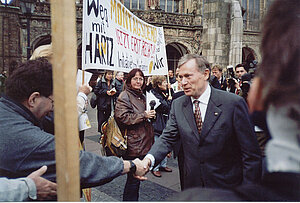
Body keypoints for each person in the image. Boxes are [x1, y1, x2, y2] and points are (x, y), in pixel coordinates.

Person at [0, 58, 148, 200]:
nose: (53, 108)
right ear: (33, 99)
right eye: (53, 101)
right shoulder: (24, 137)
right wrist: (132, 165)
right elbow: (79, 164)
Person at [141, 54, 262, 190]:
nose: (183, 82)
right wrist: (148, 160)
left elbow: (251, 154)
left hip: (227, 188)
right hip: (193, 186)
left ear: (205, 74)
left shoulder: (233, 104)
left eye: (188, 76)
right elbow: (167, 138)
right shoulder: (178, 104)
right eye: (180, 77)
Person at [114, 68, 156, 201]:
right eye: (135, 78)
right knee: (133, 180)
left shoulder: (142, 95)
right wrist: (143, 115)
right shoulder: (125, 95)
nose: (138, 81)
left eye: (141, 79)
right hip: (133, 144)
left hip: (143, 141)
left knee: (136, 180)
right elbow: (122, 117)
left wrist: (151, 115)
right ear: (129, 80)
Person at [150, 75, 172, 177]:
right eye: (164, 83)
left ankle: (163, 164)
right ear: (158, 84)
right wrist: (169, 100)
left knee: (165, 143)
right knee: (158, 144)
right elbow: (165, 106)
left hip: (164, 121)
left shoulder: (164, 92)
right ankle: (155, 167)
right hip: (157, 122)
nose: (166, 84)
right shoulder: (154, 93)